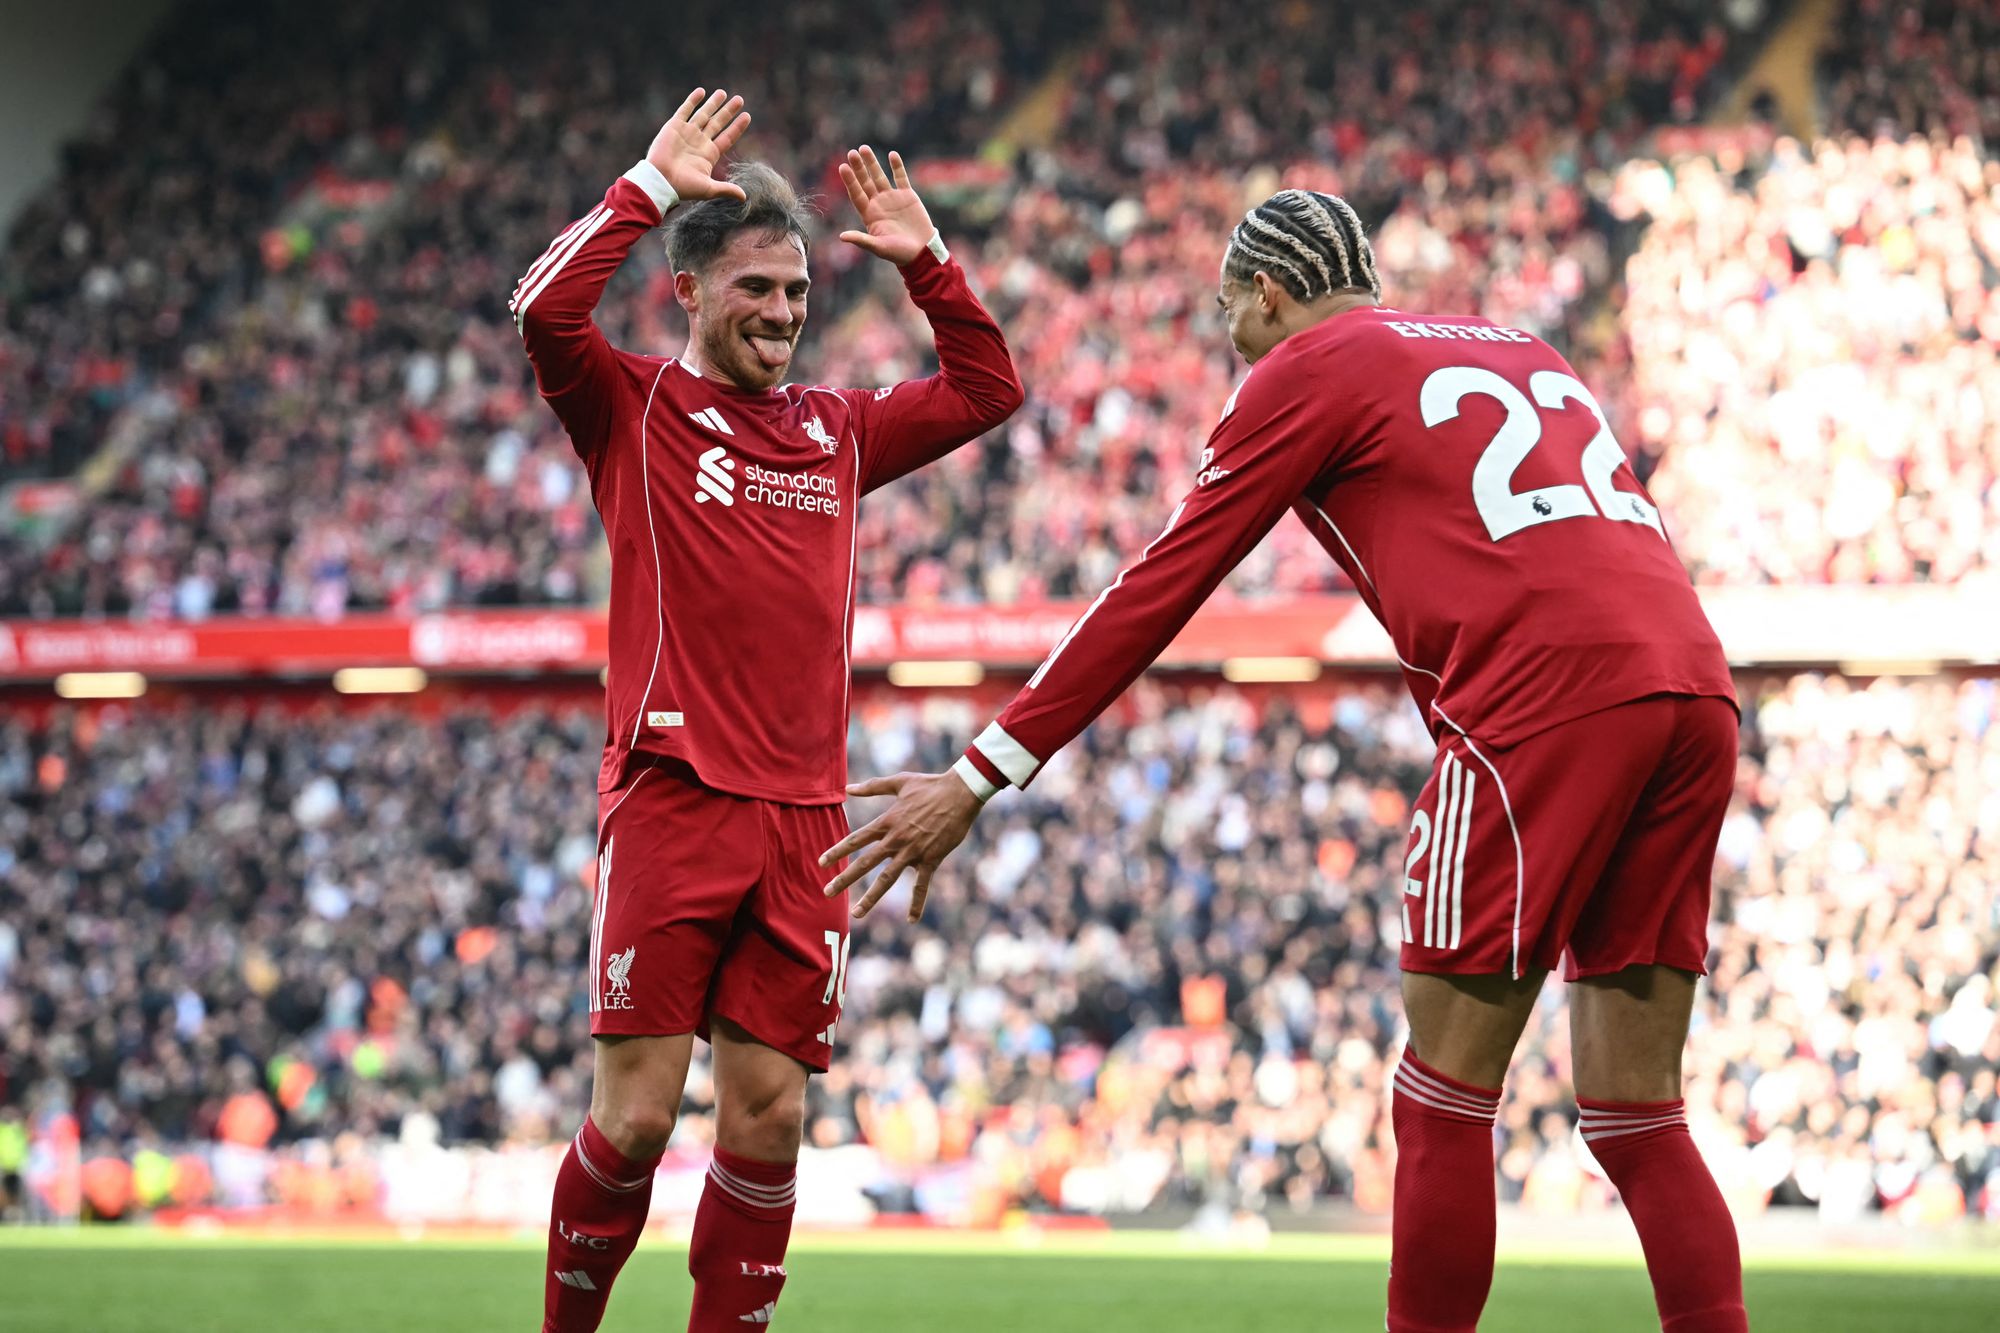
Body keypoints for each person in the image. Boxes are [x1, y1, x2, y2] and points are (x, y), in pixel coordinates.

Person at [822, 188, 1747, 1332]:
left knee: (1441, 1098)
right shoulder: (1515, 341)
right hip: (1694, 687)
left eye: (1227, 314)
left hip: (1538, 703)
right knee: (1635, 1115)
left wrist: (974, 775)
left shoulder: (1309, 368)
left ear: (1267, 295)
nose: (1228, 340)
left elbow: (1157, 587)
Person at [513, 88, 1022, 1332]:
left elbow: (986, 387)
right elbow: (541, 309)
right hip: (674, 797)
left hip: (807, 822)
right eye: (756, 290)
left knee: (771, 1119)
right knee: (633, 1117)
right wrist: (645, 184)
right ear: (688, 290)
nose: (783, 315)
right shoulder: (630, 411)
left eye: (796, 294)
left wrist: (931, 268)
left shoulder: (836, 432)